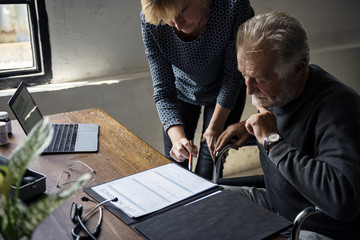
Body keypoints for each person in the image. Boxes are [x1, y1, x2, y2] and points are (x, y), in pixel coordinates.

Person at [215, 11, 360, 240]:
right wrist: (251, 128)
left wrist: (271, 140)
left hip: (315, 227)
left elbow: (342, 201)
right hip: (277, 206)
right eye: (243, 75)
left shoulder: (339, 108)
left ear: (298, 70)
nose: (249, 89)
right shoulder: (280, 91)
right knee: (204, 202)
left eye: (260, 80)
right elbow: (294, 132)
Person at [140, 0, 254, 179]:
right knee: (176, 167)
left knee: (209, 170)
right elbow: (163, 91)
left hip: (226, 91)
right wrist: (177, 140)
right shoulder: (154, 21)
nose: (177, 24)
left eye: (182, 11)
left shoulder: (233, 6)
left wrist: (215, 126)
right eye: (168, 18)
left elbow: (233, 74)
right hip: (182, 89)